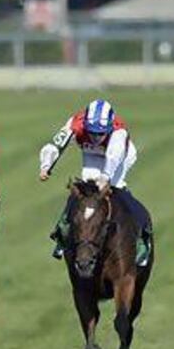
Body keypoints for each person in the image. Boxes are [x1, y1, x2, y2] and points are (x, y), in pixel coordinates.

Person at [38, 99, 151, 264]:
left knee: (115, 188)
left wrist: (105, 178)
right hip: (90, 153)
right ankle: (62, 233)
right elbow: (55, 146)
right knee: (84, 193)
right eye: (92, 132)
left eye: (100, 133)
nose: (96, 137)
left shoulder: (119, 133)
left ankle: (142, 236)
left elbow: (112, 159)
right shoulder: (76, 123)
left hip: (120, 157)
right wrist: (45, 165)